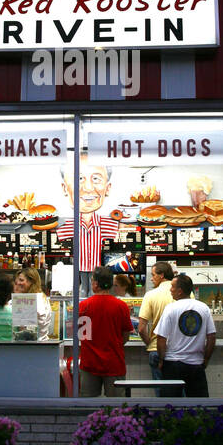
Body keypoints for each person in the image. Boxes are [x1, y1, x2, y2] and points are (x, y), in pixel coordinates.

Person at [57, 161, 121, 288]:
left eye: (96, 179)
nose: (88, 188)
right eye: (79, 179)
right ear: (64, 188)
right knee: (83, 289)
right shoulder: (67, 224)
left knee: (93, 289)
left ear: (107, 188)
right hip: (80, 265)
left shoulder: (108, 224)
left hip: (97, 267)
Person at [154, 273, 216, 397]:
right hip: (196, 364)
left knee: (171, 404)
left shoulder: (170, 309)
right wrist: (206, 359)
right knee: (198, 404)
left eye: (172, 287)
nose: (170, 290)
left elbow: (161, 338)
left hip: (173, 364)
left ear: (180, 291)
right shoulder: (203, 308)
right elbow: (211, 337)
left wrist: (161, 360)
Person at [77, 265, 134, 396]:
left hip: (89, 363)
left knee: (88, 404)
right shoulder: (121, 306)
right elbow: (125, 336)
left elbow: (79, 334)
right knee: (116, 405)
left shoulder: (83, 306)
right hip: (114, 363)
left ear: (96, 284)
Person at [137, 261, 175, 383]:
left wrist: (150, 343)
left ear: (161, 275)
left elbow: (141, 328)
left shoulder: (150, 295)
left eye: (153, 275)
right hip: (180, 351)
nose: (151, 279)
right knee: (181, 390)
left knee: (161, 391)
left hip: (156, 349)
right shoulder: (186, 293)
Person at [13, 267, 53, 340]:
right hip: (41, 342)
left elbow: (23, 329)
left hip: (33, 344)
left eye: (21, 280)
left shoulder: (31, 300)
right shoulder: (41, 297)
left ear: (31, 281)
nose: (18, 283)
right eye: (17, 281)